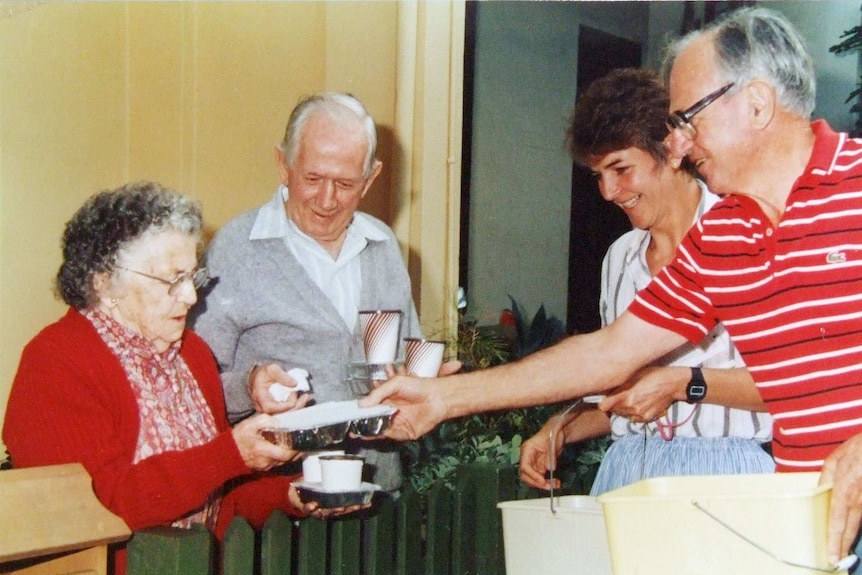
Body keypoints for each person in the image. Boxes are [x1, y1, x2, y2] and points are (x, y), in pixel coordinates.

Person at [361, 7, 862, 566]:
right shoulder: (724, 234)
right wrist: (442, 398)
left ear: (757, 103)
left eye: (688, 119)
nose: (678, 146)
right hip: (805, 525)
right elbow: (609, 353)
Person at [2, 182, 362, 575]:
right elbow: (106, 504)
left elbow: (220, 503)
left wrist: (293, 495)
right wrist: (231, 453)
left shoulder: (192, 355)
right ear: (105, 284)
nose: (191, 296)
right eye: (172, 280)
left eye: (193, 276)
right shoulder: (57, 361)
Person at [518, 68, 773, 496]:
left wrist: (682, 384)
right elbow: (619, 395)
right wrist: (560, 429)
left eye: (621, 169)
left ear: (671, 150)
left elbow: (791, 385)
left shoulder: (748, 235)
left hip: (729, 479)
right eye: (598, 175)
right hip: (628, 472)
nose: (608, 191)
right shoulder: (619, 259)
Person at [191, 92, 455, 493]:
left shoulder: (381, 246)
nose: (327, 200)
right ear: (283, 164)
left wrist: (425, 380)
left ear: (371, 178)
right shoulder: (237, 249)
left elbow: (400, 360)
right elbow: (192, 387)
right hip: (275, 502)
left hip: (375, 492)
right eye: (312, 179)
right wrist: (250, 386)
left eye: (346, 183)